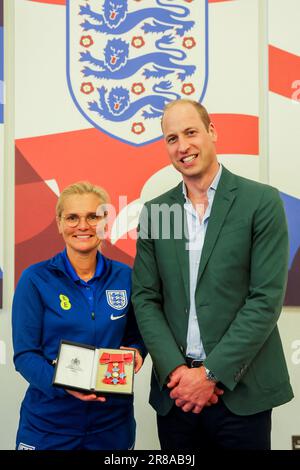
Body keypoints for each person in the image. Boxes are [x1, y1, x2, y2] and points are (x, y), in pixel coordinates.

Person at [132, 99, 294, 450]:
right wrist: (177, 372)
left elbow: (265, 299)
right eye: (172, 138)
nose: (183, 146)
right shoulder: (157, 211)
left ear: (212, 131)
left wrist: (210, 375)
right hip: (176, 397)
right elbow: (146, 297)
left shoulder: (260, 202)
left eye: (190, 132)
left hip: (241, 394)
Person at [12, 181, 145, 450]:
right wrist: (62, 385)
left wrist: (137, 352)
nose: (82, 226)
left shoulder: (125, 277)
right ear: (59, 223)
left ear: (105, 222)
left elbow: (137, 335)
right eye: (72, 217)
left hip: (112, 426)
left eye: (93, 216)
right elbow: (25, 355)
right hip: (49, 425)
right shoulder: (34, 279)